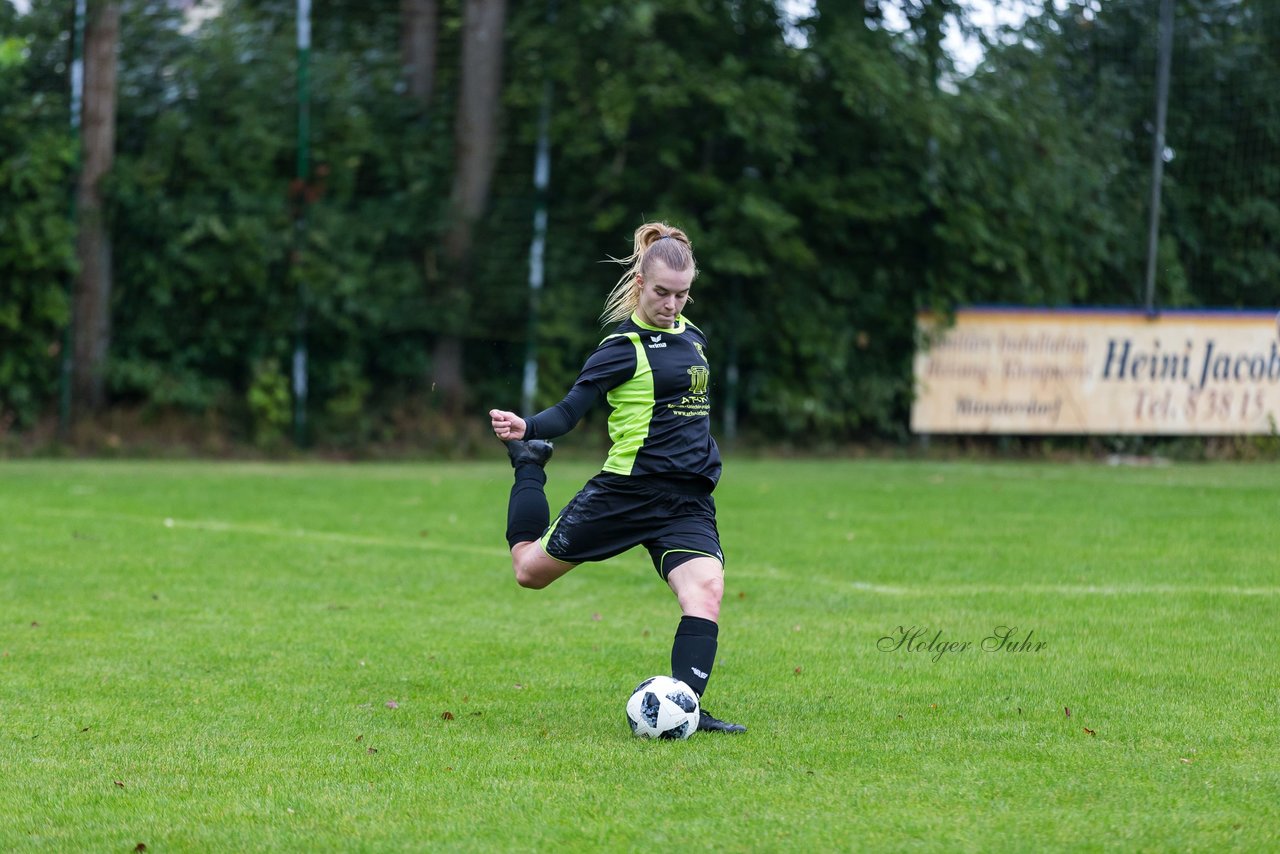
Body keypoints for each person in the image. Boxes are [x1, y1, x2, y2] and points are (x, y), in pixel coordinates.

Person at [488, 221, 745, 733]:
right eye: (662, 293)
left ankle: (685, 709)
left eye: (682, 295)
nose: (672, 305)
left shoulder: (694, 339)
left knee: (706, 593)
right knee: (529, 572)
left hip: (687, 499)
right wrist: (528, 428)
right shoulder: (621, 347)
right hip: (626, 493)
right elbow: (570, 411)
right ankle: (528, 466)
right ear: (640, 285)